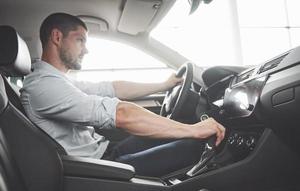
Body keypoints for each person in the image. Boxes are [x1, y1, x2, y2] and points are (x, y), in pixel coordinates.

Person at [20, 13, 225, 177]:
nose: (86, 50)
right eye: (80, 40)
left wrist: (164, 84)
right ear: (57, 37)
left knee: (180, 131)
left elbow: (113, 88)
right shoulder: (43, 86)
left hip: (106, 152)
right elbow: (122, 114)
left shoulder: (57, 80)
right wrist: (193, 130)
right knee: (196, 145)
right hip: (98, 169)